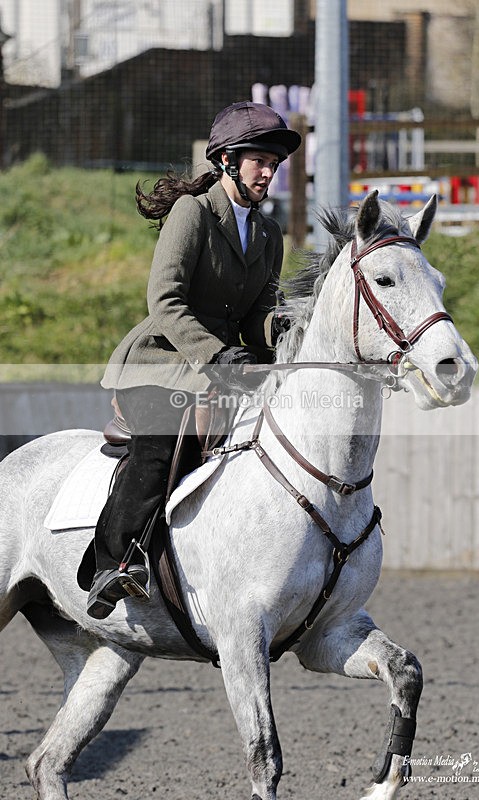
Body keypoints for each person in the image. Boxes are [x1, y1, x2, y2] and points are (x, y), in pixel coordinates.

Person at [85, 101, 301, 619]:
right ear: (227, 161)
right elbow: (165, 301)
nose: (269, 171)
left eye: (274, 163)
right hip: (161, 362)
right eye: (259, 161)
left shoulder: (270, 234)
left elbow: (260, 316)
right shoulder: (194, 212)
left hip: (223, 367)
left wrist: (290, 334)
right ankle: (113, 562)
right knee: (161, 444)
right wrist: (220, 356)